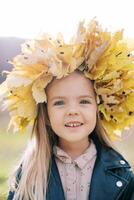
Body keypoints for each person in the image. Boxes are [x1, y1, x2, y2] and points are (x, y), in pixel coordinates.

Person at [0, 19, 134, 200]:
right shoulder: (28, 175)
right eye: (59, 103)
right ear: (46, 114)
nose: (72, 111)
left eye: (84, 101)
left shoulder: (122, 175)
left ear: (98, 107)